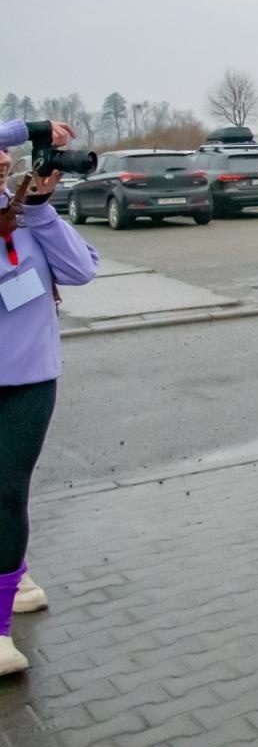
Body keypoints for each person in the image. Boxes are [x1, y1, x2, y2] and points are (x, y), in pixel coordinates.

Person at [0, 119, 99, 677]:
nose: (4, 161)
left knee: (7, 489)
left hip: (30, 380)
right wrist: (30, 127)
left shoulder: (24, 213)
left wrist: (40, 210)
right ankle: (14, 571)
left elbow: (81, 270)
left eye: (6, 157)